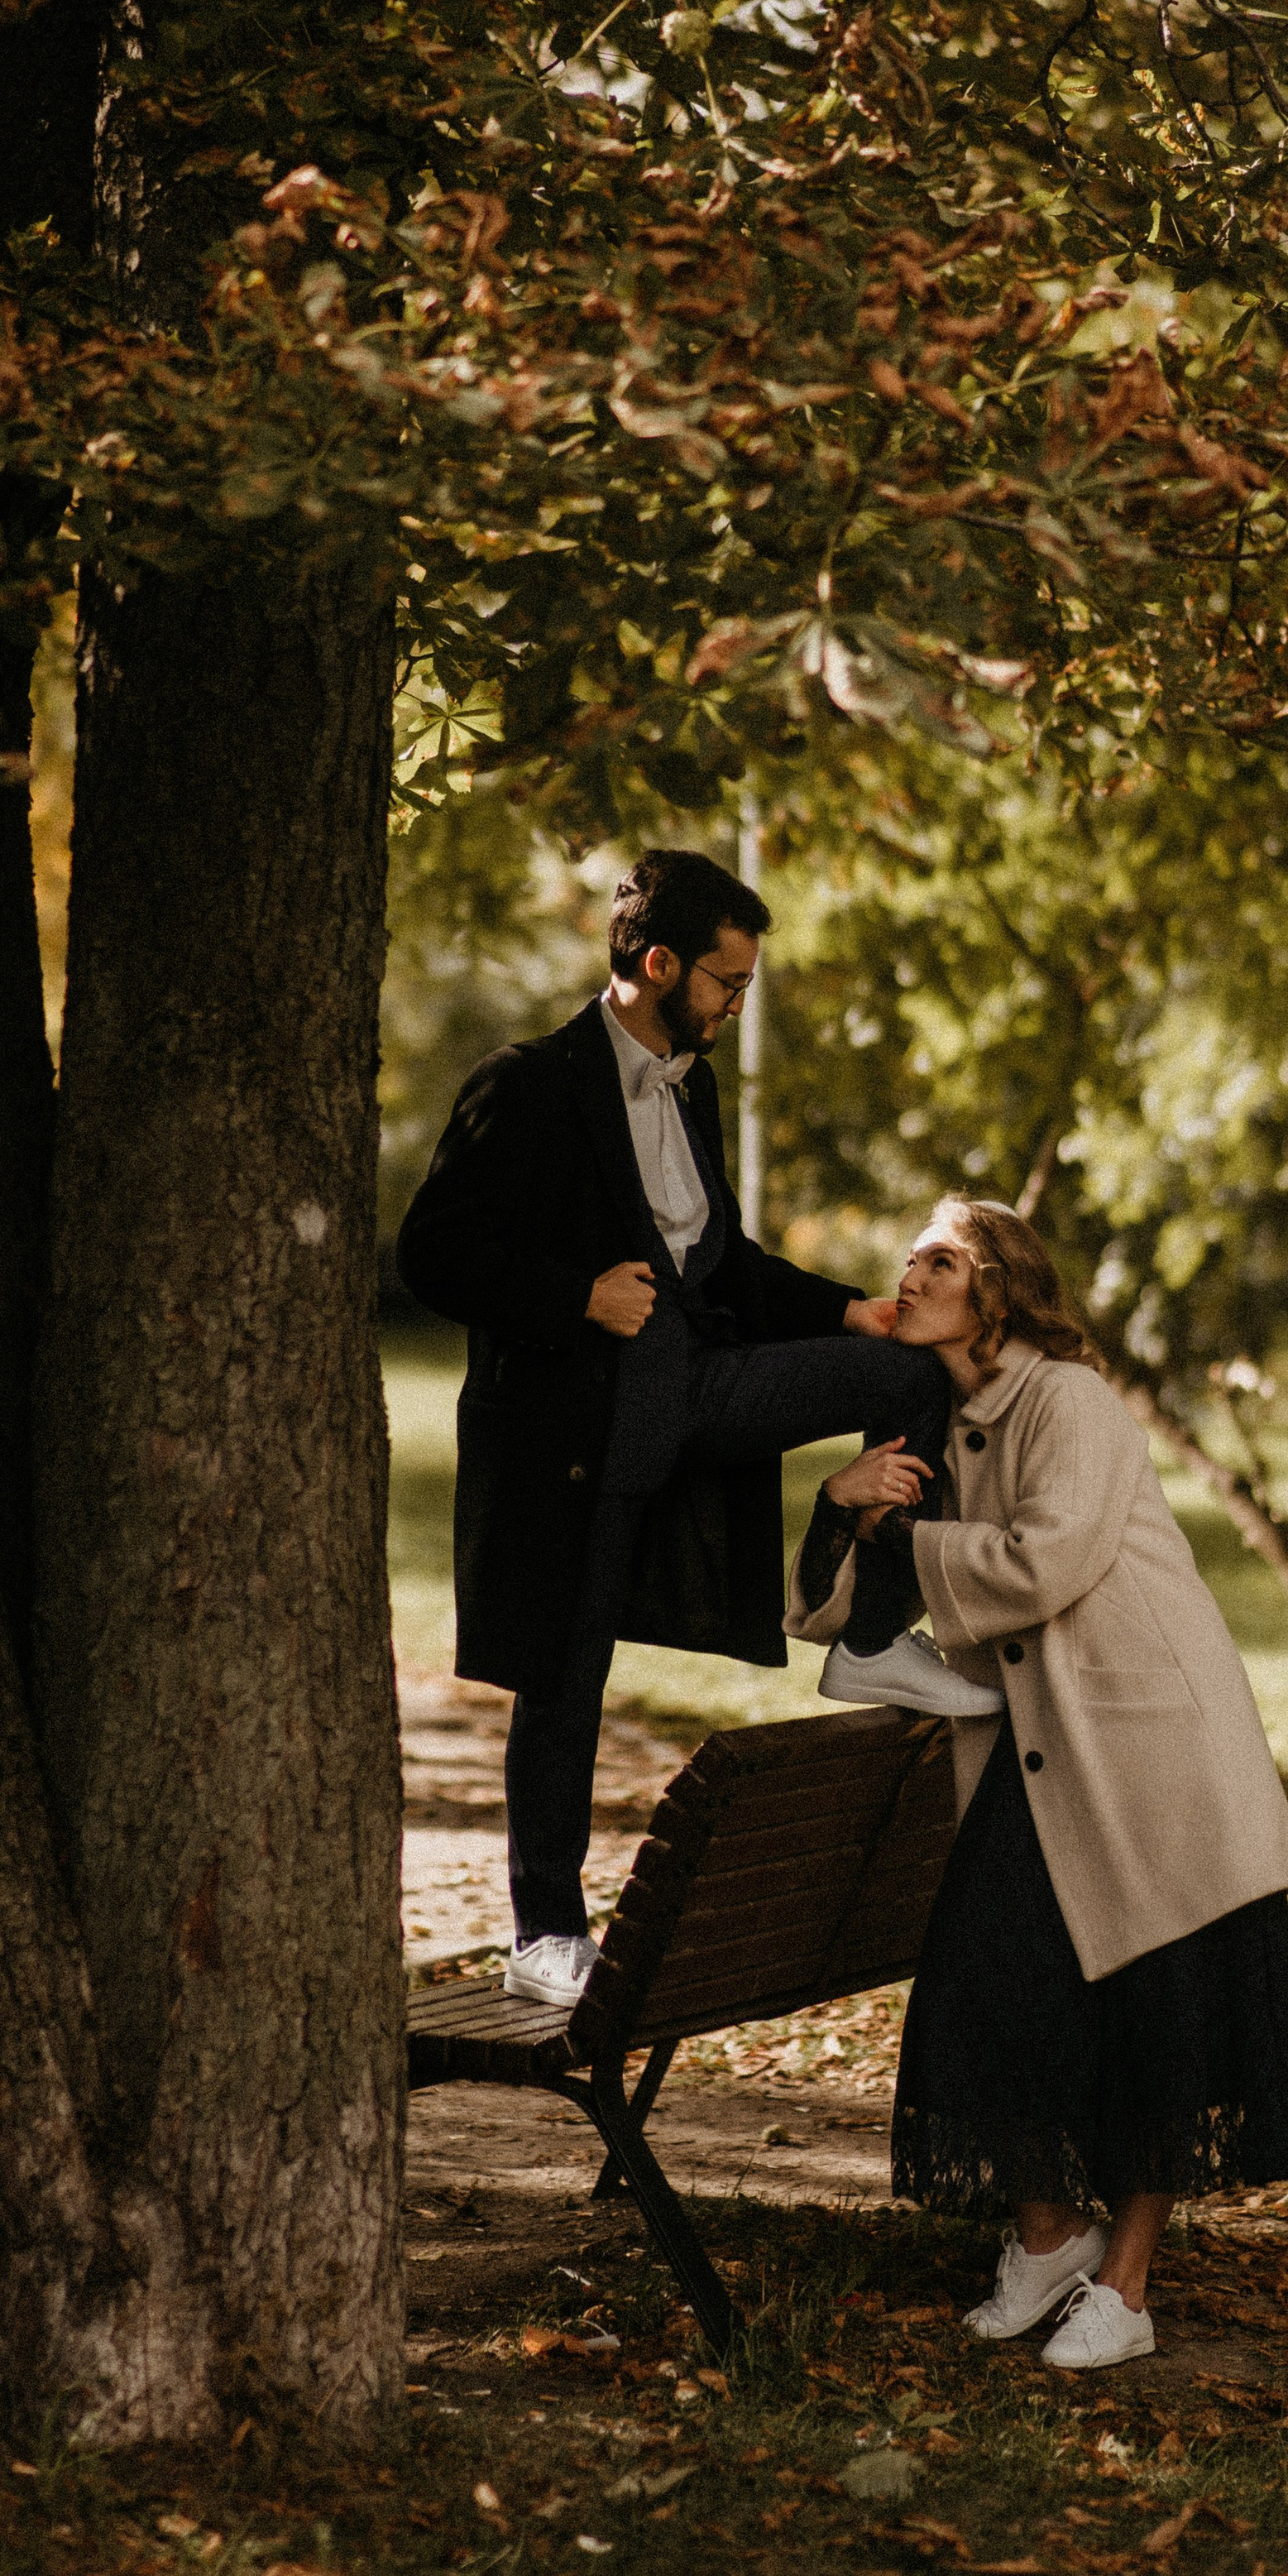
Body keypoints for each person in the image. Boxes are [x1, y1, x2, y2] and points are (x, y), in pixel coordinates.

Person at [397, 848, 957, 2005]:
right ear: (657, 966)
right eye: (726, 984)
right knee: (568, 1676)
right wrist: (577, 1298)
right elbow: (435, 1252)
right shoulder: (529, 1083)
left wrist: (850, 1309)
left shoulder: (688, 1088)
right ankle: (546, 1933)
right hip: (581, 1433)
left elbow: (725, 1265)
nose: (735, 1007)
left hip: (703, 1388)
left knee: (907, 1378)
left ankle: (861, 1627)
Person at [785, 1197, 1288, 2371]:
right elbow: (833, 1608)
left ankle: (1124, 2293)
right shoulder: (942, 1409)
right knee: (988, 1986)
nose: (905, 1275)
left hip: (1151, 1745)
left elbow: (1049, 1559)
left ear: (996, 1287)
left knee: (1161, 2016)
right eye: (908, 1259)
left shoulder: (1069, 1399)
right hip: (1042, 1750)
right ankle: (1049, 2237)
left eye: (934, 1259)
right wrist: (843, 1506)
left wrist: (904, 1543)